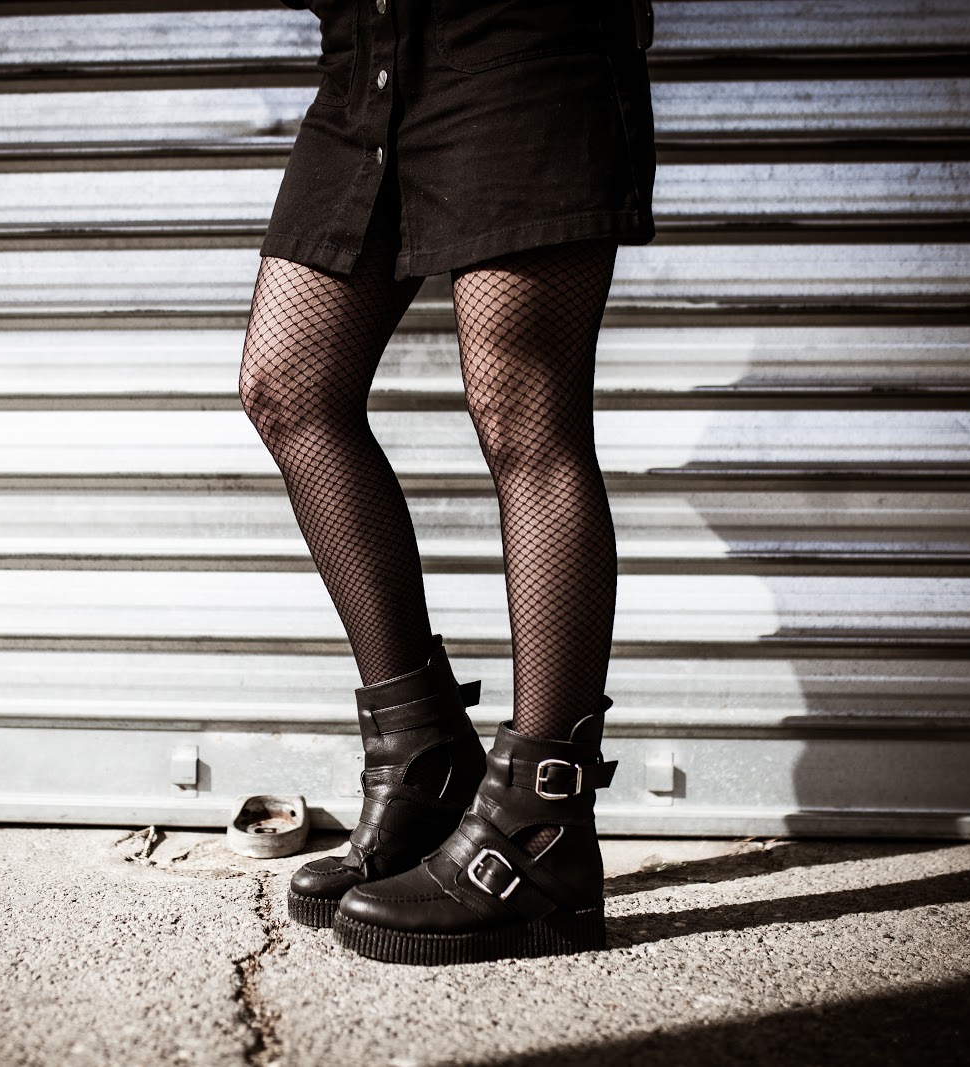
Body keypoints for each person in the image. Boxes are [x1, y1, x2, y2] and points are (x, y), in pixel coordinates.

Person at [238, 0, 657, 965]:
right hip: (367, 60)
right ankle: (422, 756)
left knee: (524, 416)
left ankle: (539, 833)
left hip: (516, 46)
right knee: (286, 387)